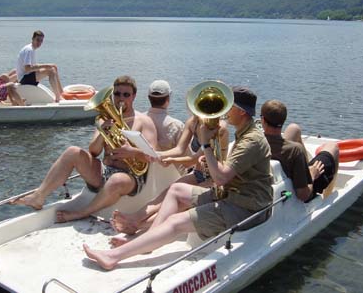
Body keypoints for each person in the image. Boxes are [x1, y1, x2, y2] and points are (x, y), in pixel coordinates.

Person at [84, 86, 274, 270]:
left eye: (230, 106)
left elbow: (222, 178)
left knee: (176, 223)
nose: (225, 111)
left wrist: (206, 144)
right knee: (176, 190)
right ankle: (149, 240)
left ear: (241, 112)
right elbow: (226, 173)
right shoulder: (245, 133)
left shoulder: (251, 140)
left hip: (245, 208)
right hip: (231, 195)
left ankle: (112, 257)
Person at [13, 75, 158, 223]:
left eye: (126, 94)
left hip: (130, 177)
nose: (121, 98)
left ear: (133, 96)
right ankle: (39, 196)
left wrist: (131, 152)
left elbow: (153, 156)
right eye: (117, 94)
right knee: (73, 151)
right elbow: (94, 152)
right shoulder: (104, 119)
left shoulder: (144, 121)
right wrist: (103, 132)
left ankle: (81, 213)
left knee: (116, 180)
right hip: (104, 171)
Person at [111, 110, 229, 237]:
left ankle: (137, 225)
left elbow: (194, 159)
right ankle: (135, 218)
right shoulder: (193, 122)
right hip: (199, 173)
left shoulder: (219, 129)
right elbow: (179, 149)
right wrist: (155, 155)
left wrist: (170, 159)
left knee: (172, 204)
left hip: (213, 179)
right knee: (161, 198)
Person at [260, 99, 339, 202]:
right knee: (333, 147)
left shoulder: (255, 142)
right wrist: (312, 174)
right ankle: (327, 197)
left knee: (294, 129)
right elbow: (303, 195)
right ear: (283, 121)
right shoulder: (295, 150)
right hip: (299, 190)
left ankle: (305, 167)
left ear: (263, 120)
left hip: (277, 172)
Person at [16, 30, 64, 102]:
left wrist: (48, 66)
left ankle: (61, 93)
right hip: (24, 79)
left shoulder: (31, 48)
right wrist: (46, 66)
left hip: (26, 76)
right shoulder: (29, 50)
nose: (39, 43)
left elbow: (32, 67)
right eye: (37, 40)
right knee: (51, 71)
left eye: (41, 41)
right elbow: (27, 68)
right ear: (33, 39)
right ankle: (58, 98)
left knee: (53, 68)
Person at [146, 80, 184, 152]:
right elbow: (187, 155)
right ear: (168, 98)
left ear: (149, 98)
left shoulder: (138, 119)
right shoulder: (177, 125)